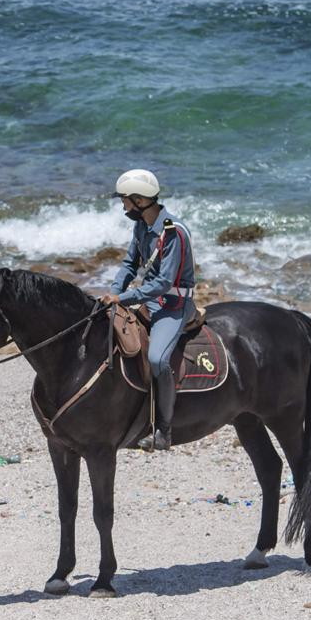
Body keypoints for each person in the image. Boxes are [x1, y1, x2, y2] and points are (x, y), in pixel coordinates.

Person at [98, 168, 196, 452]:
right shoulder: (141, 226)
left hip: (173, 304)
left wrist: (125, 299)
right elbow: (130, 264)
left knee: (156, 359)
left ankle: (164, 431)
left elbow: (165, 282)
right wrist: (115, 294)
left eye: (125, 200)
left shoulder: (173, 233)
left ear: (139, 200)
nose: (123, 205)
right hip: (147, 300)